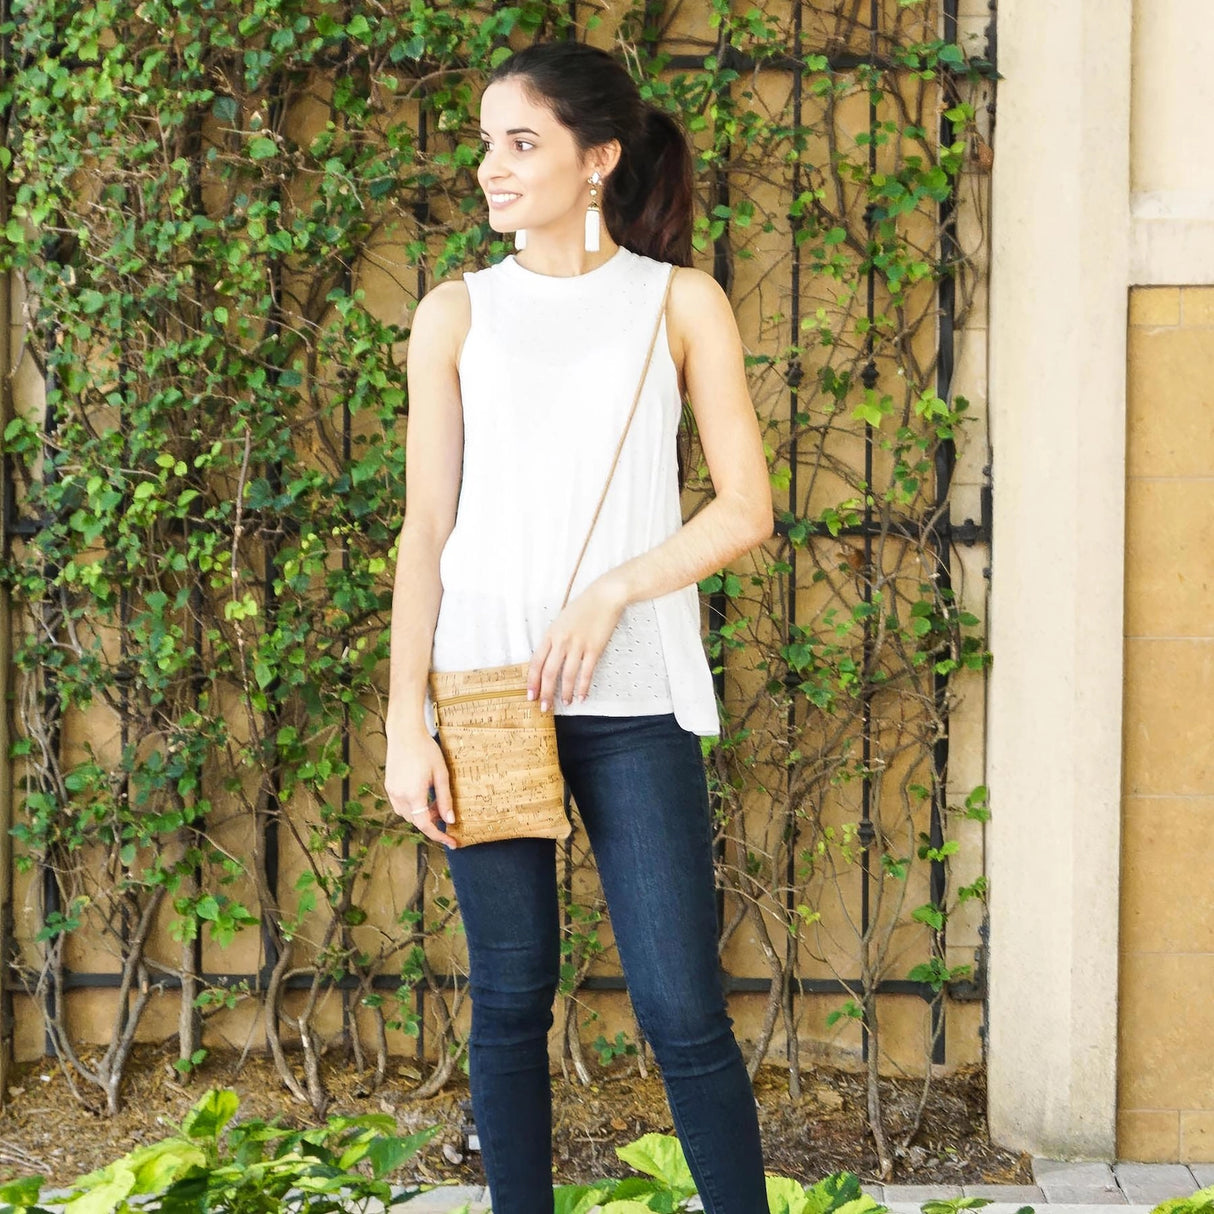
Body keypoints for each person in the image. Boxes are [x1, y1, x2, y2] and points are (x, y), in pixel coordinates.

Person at [383, 40, 773, 1214]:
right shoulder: (455, 314)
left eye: (521, 141)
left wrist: (612, 590)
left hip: (634, 693)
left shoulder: (676, 302)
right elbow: (425, 526)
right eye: (485, 142)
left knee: (681, 1008)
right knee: (509, 1000)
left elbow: (745, 508)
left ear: (596, 157)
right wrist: (405, 722)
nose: (490, 166)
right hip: (483, 688)